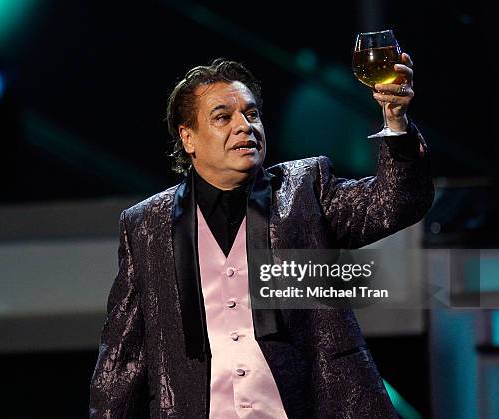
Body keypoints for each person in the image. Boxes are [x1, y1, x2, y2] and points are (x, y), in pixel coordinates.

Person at [90, 56, 433, 418]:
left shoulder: (305, 188)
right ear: (187, 137)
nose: (244, 126)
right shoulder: (146, 225)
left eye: (251, 115)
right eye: (223, 117)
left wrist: (396, 123)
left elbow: (393, 204)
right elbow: (122, 358)